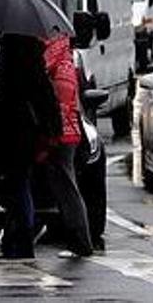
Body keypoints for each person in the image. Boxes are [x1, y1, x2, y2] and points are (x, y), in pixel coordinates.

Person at [0, 34, 61, 260]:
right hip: (13, 131)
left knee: (9, 182)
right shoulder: (17, 51)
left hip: (13, 131)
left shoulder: (21, 52)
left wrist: (51, 129)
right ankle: (19, 236)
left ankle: (23, 238)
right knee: (11, 184)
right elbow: (13, 88)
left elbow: (25, 91)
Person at [40, 34, 96, 257]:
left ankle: (80, 242)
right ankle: (77, 240)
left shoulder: (57, 65)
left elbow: (62, 104)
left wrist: (50, 138)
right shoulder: (64, 61)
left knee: (66, 188)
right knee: (64, 186)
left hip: (61, 135)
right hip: (66, 133)